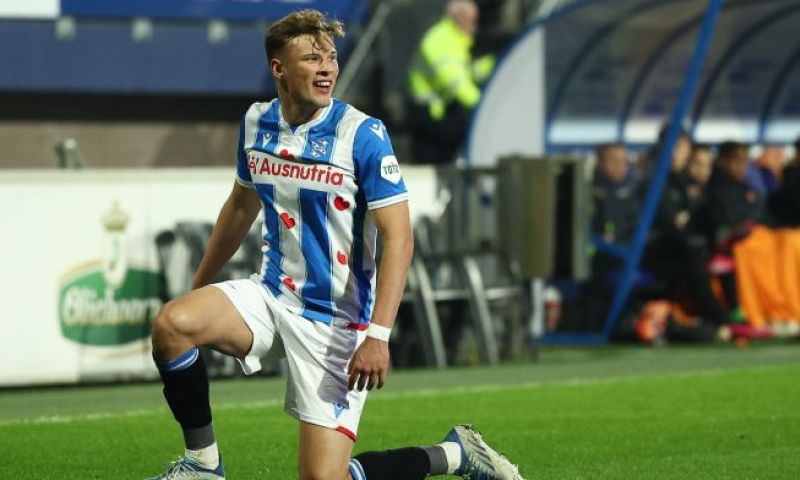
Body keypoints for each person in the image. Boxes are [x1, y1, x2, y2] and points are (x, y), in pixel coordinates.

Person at [146, 9, 522, 480]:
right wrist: (198, 285)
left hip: (335, 324)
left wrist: (378, 335)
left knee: (324, 479)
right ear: (278, 69)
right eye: (311, 58)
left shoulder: (363, 135)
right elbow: (241, 206)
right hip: (272, 294)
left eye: (330, 57)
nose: (326, 68)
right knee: (172, 325)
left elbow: (398, 237)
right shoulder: (257, 122)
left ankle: (456, 454)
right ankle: (203, 466)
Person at [405, 0, 495, 164]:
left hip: (440, 112)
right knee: (434, 165)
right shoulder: (439, 41)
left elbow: (467, 71)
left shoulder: (454, 38)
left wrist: (494, 64)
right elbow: (456, 82)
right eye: (471, 21)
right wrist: (485, 107)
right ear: (459, 18)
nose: (474, 27)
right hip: (428, 116)